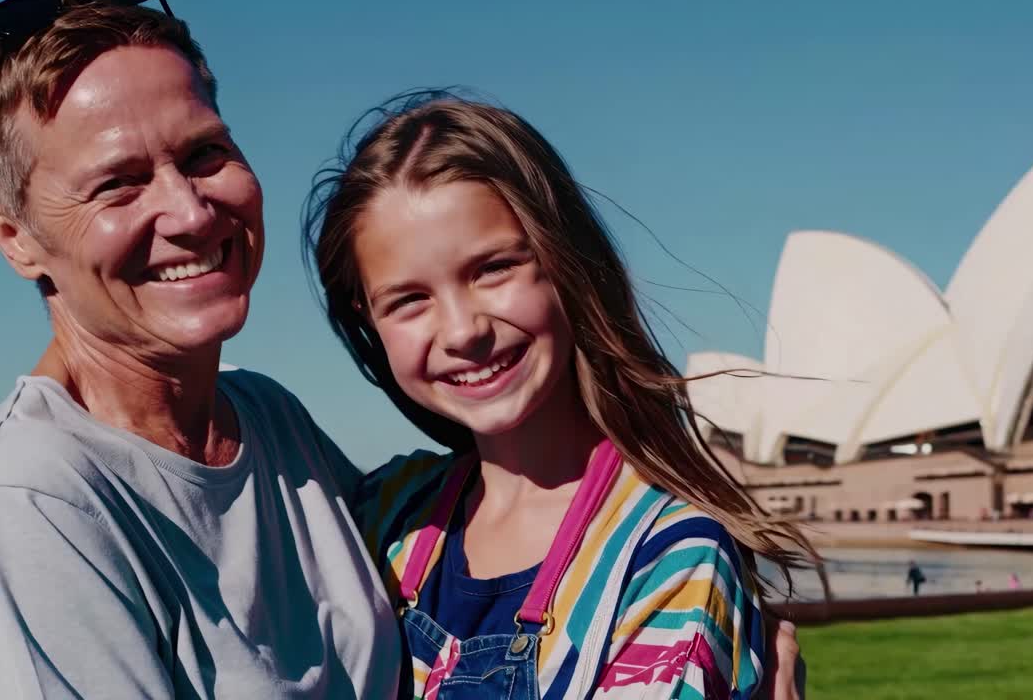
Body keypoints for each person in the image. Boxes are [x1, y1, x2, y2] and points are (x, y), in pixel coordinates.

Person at [0, 0, 400, 698]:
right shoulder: (20, 509)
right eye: (118, 184)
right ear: (15, 238)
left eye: (205, 153)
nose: (189, 212)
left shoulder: (270, 421)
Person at [305, 93, 817, 699]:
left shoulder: (669, 553)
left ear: (564, 260)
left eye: (493, 268)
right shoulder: (386, 513)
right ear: (368, 320)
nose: (464, 330)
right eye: (409, 300)